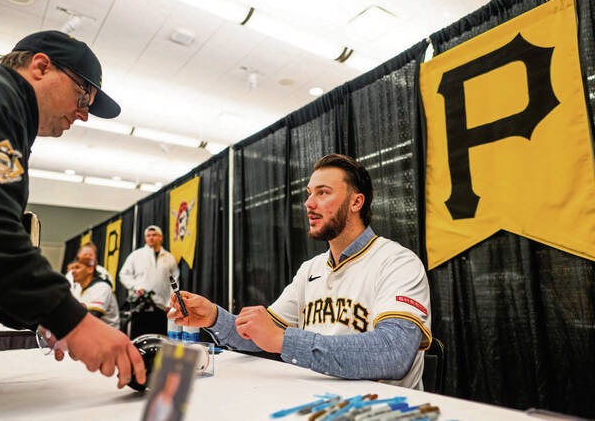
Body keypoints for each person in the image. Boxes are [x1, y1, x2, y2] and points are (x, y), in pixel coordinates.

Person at [0, 30, 146, 397]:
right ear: (41, 66)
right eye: (82, 96)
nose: (84, 114)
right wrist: (72, 321)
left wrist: (44, 319)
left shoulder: (0, 111)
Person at [168, 154, 432, 389]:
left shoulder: (398, 262)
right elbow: (260, 336)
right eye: (309, 193)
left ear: (356, 202)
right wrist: (213, 317)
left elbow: (394, 353)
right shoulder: (311, 269)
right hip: (317, 401)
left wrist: (284, 340)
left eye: (323, 192)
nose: (308, 203)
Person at [119, 225, 180, 336]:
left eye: (154, 235)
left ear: (161, 237)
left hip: (162, 308)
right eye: (148, 235)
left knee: (160, 341)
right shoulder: (136, 255)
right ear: (145, 238)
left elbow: (174, 281)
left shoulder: (169, 257)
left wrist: (170, 303)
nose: (151, 238)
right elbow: (123, 275)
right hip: (141, 308)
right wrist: (136, 287)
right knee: (139, 341)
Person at [70, 257, 120, 329]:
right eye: (72, 268)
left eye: (77, 268)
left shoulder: (102, 287)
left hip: (107, 335)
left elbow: (91, 317)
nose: (73, 271)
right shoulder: (78, 288)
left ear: (90, 269)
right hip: (89, 332)